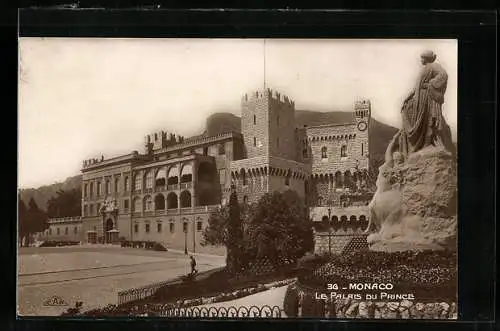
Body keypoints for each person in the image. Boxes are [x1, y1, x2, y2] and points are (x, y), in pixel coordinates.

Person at [399, 50, 455, 158]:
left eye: (422, 58)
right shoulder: (425, 69)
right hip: (420, 99)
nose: (420, 60)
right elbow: (417, 88)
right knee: (408, 110)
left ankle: (428, 143)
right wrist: (407, 98)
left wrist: (430, 85)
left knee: (428, 120)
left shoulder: (433, 66)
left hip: (428, 99)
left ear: (426, 58)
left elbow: (444, 75)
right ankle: (418, 144)